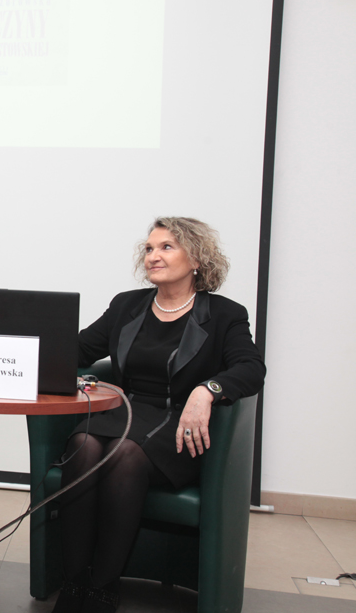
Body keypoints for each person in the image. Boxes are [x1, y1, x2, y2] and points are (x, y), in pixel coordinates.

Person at [52, 218, 265, 613]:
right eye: (149, 248)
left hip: (179, 426)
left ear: (197, 259)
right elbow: (76, 350)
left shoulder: (225, 314)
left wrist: (207, 390)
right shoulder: (127, 305)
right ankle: (74, 581)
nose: (153, 256)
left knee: (125, 453)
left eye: (166, 247)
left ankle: (103, 587)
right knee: (82, 444)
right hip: (125, 413)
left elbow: (251, 368)